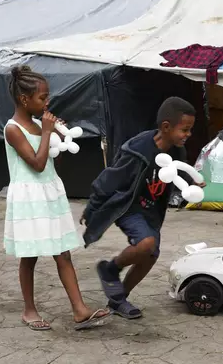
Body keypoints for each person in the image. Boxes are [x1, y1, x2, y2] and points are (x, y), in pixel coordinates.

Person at [3, 65, 110, 331]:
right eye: (42, 98)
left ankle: (79, 310)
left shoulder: (40, 125)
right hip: (29, 197)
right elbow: (36, 164)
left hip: (49, 192)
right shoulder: (13, 129)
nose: (47, 102)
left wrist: (58, 137)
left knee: (63, 253)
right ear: (23, 99)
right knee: (30, 256)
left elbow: (51, 161)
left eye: (47, 96)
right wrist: (49, 132)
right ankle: (29, 310)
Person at [80, 96, 204, 319]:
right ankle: (111, 269)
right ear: (166, 127)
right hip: (129, 207)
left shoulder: (176, 152)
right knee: (146, 243)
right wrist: (92, 209)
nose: (188, 135)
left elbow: (180, 174)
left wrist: (192, 182)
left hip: (152, 212)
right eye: (184, 130)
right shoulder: (137, 150)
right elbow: (109, 180)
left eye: (190, 130)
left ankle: (118, 299)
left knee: (150, 255)